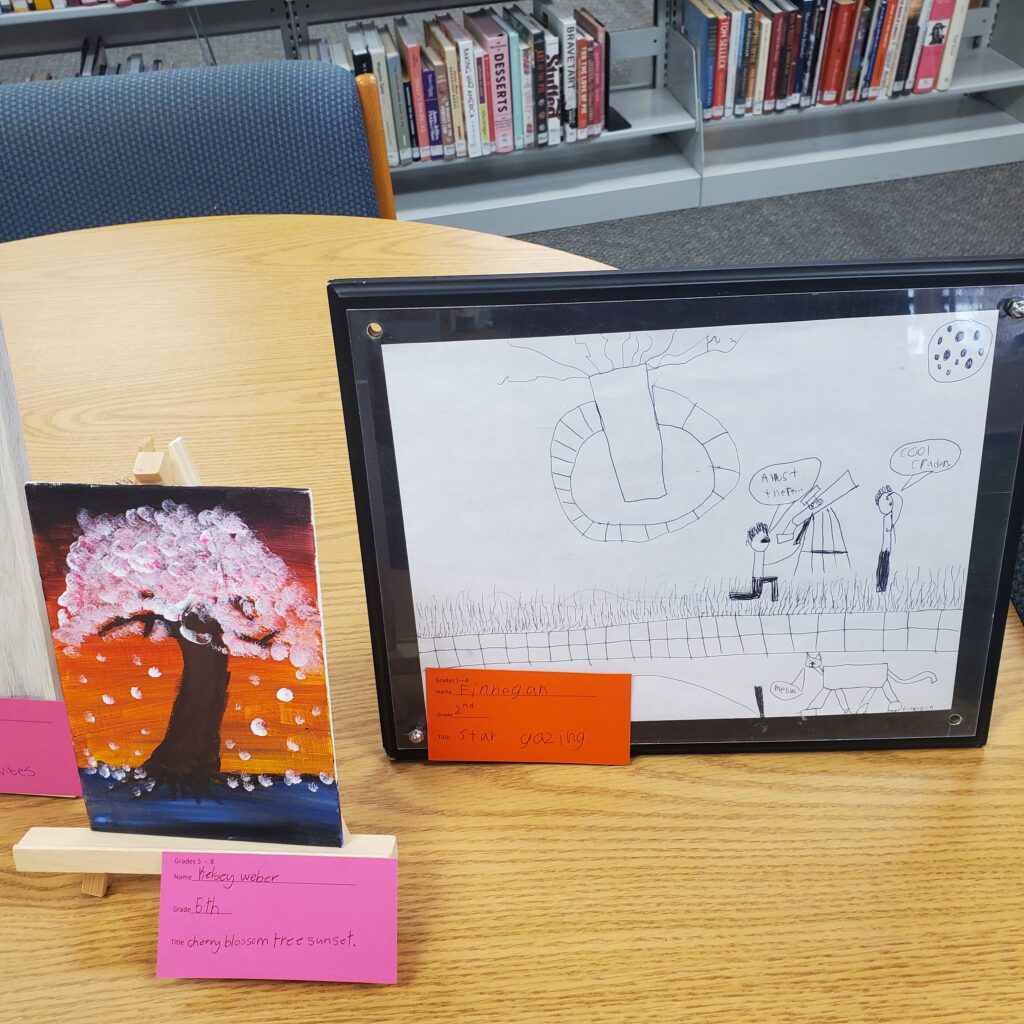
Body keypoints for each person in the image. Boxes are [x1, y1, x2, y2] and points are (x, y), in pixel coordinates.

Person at [729, 523, 779, 602]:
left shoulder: (761, 552)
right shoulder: (755, 552)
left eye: (767, 540)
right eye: (763, 541)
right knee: (756, 595)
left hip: (758, 577)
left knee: (756, 594)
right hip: (757, 578)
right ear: (749, 542)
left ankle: (775, 599)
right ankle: (733, 596)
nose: (766, 543)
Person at [875, 485, 903, 593]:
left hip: (886, 551)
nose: (890, 501)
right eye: (887, 500)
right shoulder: (888, 518)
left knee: (883, 571)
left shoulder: (889, 517)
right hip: (885, 551)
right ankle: (881, 588)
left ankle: (881, 588)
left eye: (890, 499)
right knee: (883, 571)